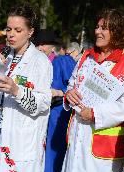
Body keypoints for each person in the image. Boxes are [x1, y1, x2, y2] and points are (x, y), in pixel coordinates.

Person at [0, 4, 53, 172]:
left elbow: (43, 103)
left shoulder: (40, 61)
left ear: (30, 32)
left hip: (20, 139)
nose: (11, 34)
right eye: (9, 29)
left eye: (18, 30)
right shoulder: (5, 57)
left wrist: (16, 91)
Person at [62, 9, 124, 172]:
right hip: (77, 136)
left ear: (117, 31)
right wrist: (69, 94)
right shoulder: (86, 56)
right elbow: (71, 84)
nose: (97, 31)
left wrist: (95, 114)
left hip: (103, 147)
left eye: (104, 28)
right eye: (97, 27)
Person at [44, 42, 79, 172]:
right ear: (75, 52)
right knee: (58, 148)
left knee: (53, 147)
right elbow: (73, 86)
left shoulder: (58, 60)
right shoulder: (66, 62)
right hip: (62, 108)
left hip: (58, 107)